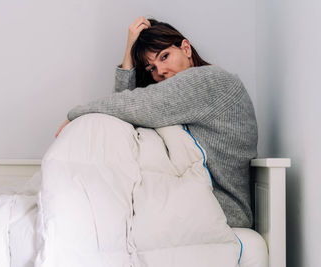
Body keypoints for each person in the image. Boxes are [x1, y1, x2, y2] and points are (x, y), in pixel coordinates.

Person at [55, 17, 258, 228]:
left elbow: (134, 106)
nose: (160, 72)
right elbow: (123, 124)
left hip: (224, 210)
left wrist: (75, 114)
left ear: (186, 48)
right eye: (151, 68)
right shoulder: (191, 96)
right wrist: (129, 55)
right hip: (201, 200)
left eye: (165, 56)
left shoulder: (211, 80)